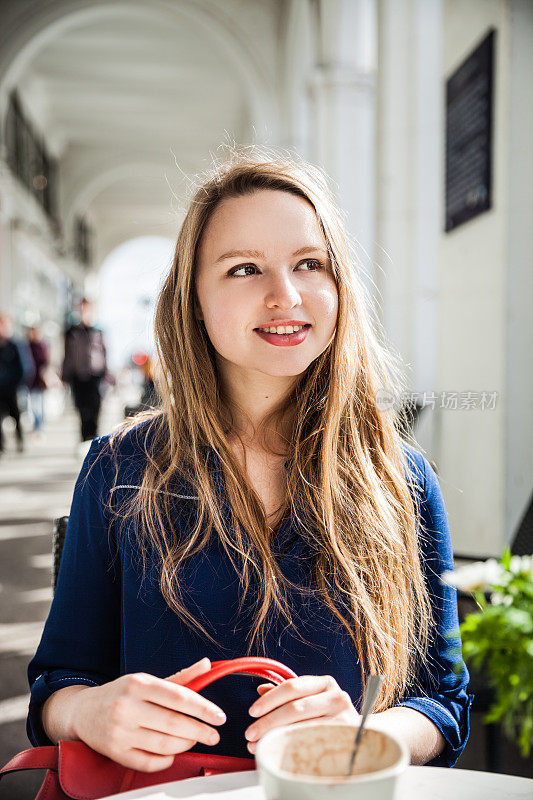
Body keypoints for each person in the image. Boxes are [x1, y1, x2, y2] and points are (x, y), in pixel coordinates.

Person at [27, 149, 474, 774]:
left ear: (339, 286)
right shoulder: (120, 469)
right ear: (193, 298)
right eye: (243, 269)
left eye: (309, 264)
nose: (284, 295)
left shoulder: (398, 478)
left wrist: (365, 732)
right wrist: (89, 711)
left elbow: (443, 702)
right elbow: (57, 683)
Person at [61, 298, 108, 443]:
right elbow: (67, 354)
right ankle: (84, 439)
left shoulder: (98, 331)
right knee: (82, 409)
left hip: (96, 375)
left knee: (95, 408)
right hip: (78, 376)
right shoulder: (71, 332)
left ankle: (94, 439)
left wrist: (106, 372)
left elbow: (104, 352)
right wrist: (64, 375)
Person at [0, 313, 25, 453]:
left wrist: (17, 382)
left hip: (12, 387)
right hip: (0, 387)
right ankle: (1, 445)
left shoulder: (15, 345)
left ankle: (20, 441)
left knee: (16, 415)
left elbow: (23, 366)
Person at [27, 326, 50, 436]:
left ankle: (39, 427)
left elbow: (45, 363)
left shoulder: (42, 346)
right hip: (30, 381)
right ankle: (37, 426)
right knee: (33, 406)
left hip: (40, 381)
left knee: (39, 405)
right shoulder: (27, 346)